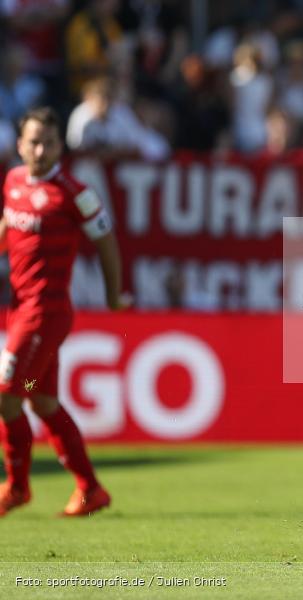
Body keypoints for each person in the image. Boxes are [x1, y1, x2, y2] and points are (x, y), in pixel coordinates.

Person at [0, 107, 128, 517]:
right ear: (20, 145)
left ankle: (17, 487)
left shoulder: (74, 192)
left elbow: (106, 243)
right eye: (34, 142)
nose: (41, 150)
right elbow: (8, 226)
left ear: (60, 147)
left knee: (6, 395)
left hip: (46, 315)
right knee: (41, 399)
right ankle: (90, 489)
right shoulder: (13, 180)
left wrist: (113, 296)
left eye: (49, 143)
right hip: (20, 310)